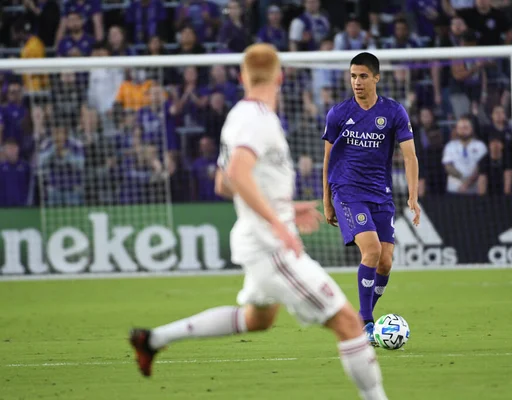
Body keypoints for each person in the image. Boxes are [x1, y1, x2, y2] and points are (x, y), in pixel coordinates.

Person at [129, 44, 388, 400]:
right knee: (348, 323)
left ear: (242, 77)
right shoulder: (257, 120)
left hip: (259, 237)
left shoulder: (240, 116)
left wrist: (285, 207)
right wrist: (278, 223)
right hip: (271, 246)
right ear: (280, 76)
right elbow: (236, 173)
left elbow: (223, 183)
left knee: (257, 319)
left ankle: (153, 339)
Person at [321, 52, 420, 345]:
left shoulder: (393, 112)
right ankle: (364, 324)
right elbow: (327, 160)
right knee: (372, 251)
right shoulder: (338, 114)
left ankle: (365, 317)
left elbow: (410, 155)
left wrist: (413, 196)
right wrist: (326, 200)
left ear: (376, 77)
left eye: (363, 76)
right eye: (353, 76)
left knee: (386, 262)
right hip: (347, 191)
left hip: (380, 193)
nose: (357, 82)